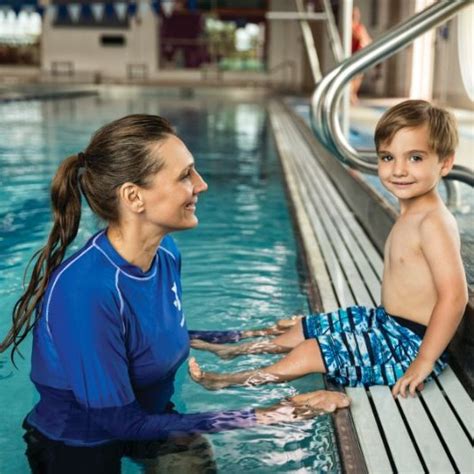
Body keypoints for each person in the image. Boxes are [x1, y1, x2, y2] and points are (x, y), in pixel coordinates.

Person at [0, 115, 350, 474]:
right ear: (134, 197)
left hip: (151, 420)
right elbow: (117, 422)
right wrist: (275, 412)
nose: (202, 185)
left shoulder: (165, 254)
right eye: (185, 175)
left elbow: (148, 333)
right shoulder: (85, 291)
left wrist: (245, 340)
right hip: (77, 443)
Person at [189, 100, 468, 398]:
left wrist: (423, 361)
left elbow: (455, 296)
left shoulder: (434, 223)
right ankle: (235, 352)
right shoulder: (413, 213)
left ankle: (229, 380)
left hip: (411, 344)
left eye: (415, 158)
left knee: (312, 350)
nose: (398, 170)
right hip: (385, 322)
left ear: (446, 163)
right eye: (388, 157)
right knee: (307, 328)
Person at [351, 6, 372, 104]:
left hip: (360, 55)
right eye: (354, 14)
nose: (356, 15)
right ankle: (350, 94)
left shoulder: (360, 27)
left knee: (359, 76)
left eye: (357, 14)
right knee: (352, 77)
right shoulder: (350, 26)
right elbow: (358, 37)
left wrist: (367, 42)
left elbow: (367, 39)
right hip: (352, 55)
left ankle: (353, 94)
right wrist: (363, 40)